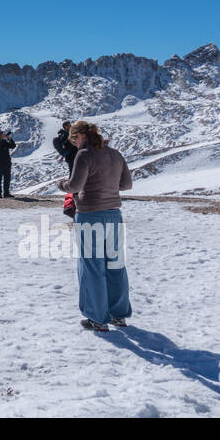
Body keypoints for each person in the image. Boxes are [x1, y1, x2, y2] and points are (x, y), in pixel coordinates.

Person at [57, 121, 133, 331]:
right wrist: (107, 184)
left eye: (75, 139)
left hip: (90, 215)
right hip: (114, 215)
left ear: (81, 135)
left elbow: (75, 186)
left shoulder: (85, 154)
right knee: (115, 264)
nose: (74, 143)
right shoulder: (115, 154)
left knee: (92, 266)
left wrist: (61, 184)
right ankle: (119, 314)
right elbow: (126, 184)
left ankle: (97, 318)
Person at [0, 129, 17, 198]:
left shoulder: (4, 141)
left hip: (7, 162)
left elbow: (13, 146)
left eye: (1, 133)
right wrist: (2, 139)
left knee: (7, 178)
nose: (1, 134)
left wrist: (9, 139)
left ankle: (6, 193)